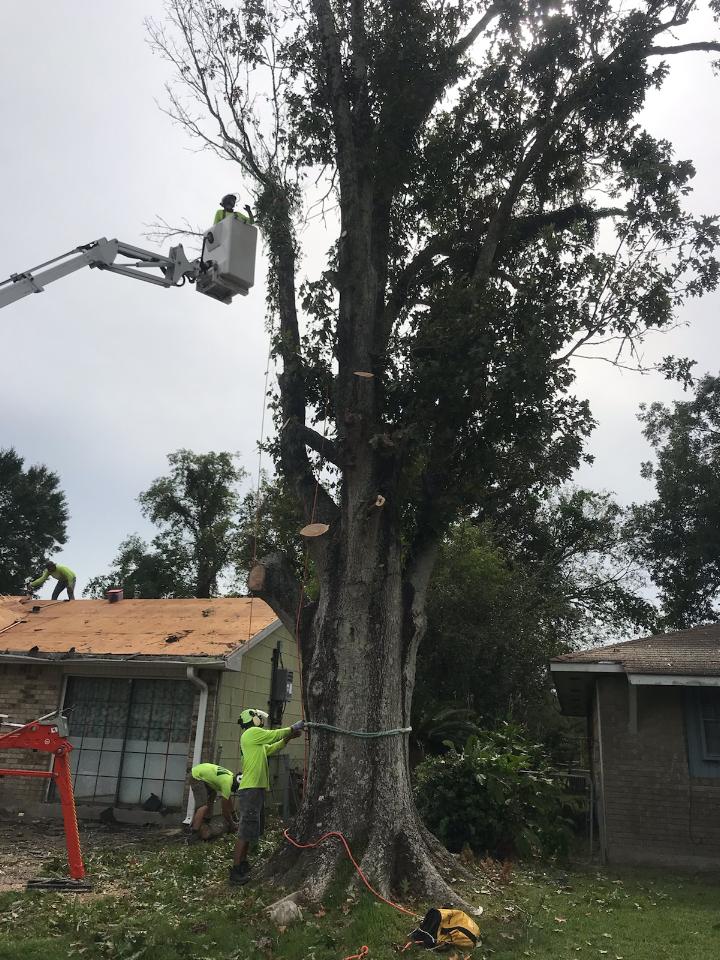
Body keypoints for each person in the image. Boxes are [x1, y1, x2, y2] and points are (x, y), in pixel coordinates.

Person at [230, 707, 304, 885]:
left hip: (255, 789)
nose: (259, 720)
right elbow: (273, 735)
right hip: (251, 789)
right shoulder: (251, 733)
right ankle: (235, 870)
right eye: (257, 717)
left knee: (250, 830)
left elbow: (271, 748)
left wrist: (288, 738)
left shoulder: (255, 741)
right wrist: (292, 728)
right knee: (245, 830)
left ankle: (243, 864)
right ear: (251, 719)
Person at [189, 762, 242, 841]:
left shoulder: (230, 777)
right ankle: (194, 834)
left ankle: (206, 820)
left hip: (203, 774)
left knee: (213, 794)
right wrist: (232, 824)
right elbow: (224, 811)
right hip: (196, 776)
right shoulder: (227, 784)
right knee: (203, 806)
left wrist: (234, 815)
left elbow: (228, 798)